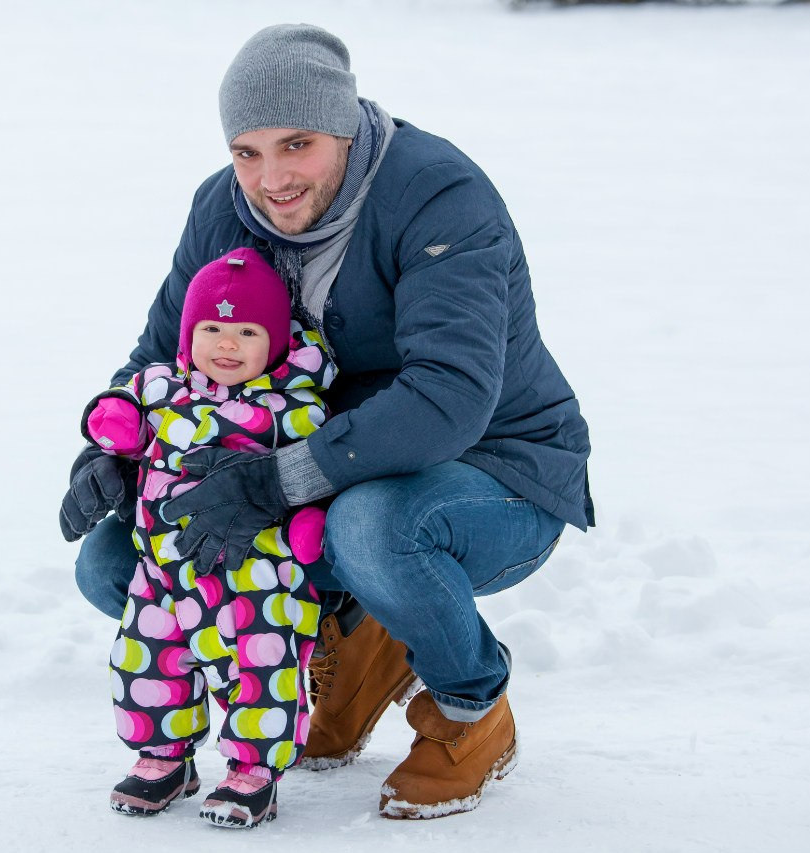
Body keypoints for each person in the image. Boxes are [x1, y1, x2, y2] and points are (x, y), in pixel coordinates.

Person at [61, 23, 594, 821]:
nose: (270, 178)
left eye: (296, 144)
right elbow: (157, 357)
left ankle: (470, 709)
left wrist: (279, 481)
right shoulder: (223, 207)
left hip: (498, 469)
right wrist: (110, 455)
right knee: (118, 557)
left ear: (342, 126)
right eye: (247, 151)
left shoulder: (441, 195)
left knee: (370, 528)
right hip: (325, 475)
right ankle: (354, 645)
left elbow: (448, 397)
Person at [76, 247, 336, 828]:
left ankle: (253, 772)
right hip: (162, 567)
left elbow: (316, 471)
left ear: (274, 342)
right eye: (212, 328)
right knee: (147, 659)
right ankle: (163, 757)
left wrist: (308, 520)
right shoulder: (162, 386)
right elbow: (122, 405)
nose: (226, 344)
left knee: (261, 664)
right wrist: (109, 426)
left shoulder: (290, 409)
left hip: (254, 569)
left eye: (246, 331)